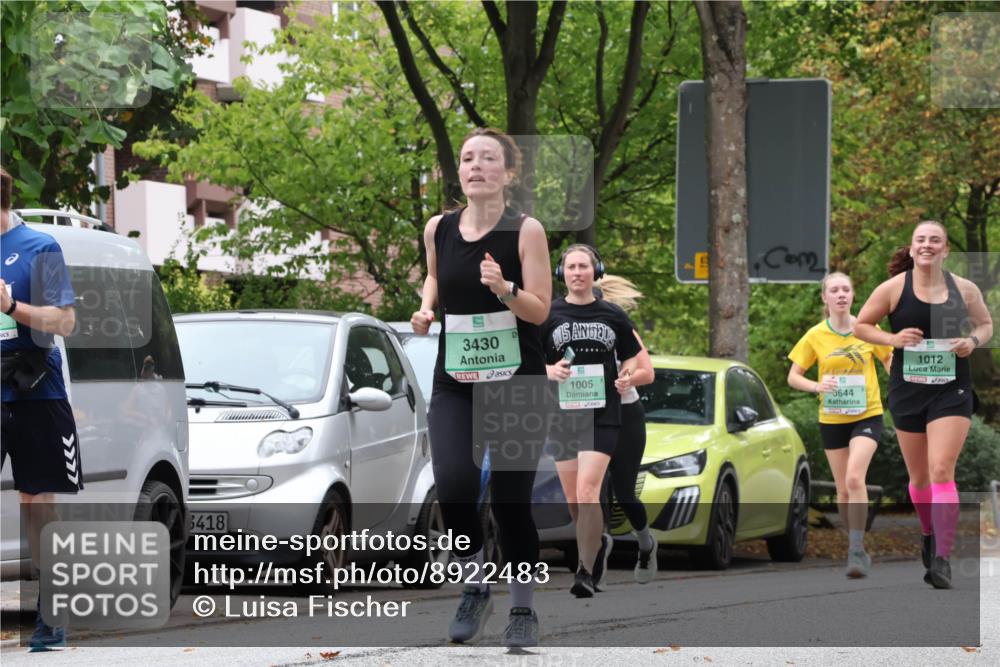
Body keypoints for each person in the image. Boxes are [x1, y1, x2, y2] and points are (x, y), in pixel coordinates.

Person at [409, 128, 551, 647]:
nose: (475, 166)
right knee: (454, 486)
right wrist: (427, 309)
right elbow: (434, 278)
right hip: (457, 381)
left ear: (507, 173)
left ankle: (522, 609)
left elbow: (540, 308)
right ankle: (475, 585)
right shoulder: (438, 228)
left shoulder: (526, 231)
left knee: (512, 502)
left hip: (517, 382)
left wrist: (505, 289)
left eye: (488, 158)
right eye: (468, 158)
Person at [854, 220, 993, 589]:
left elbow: (985, 325)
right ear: (912, 248)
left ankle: (943, 558)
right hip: (909, 389)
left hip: (952, 389)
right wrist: (893, 338)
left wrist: (972, 342)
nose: (927, 245)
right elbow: (861, 327)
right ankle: (929, 533)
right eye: (921, 240)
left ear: (946, 250)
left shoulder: (964, 289)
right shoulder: (894, 289)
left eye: (935, 240)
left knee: (942, 470)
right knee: (919, 479)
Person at [0, 166, 81, 650]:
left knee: (36, 502)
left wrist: (12, 307)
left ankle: (52, 612)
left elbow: (65, 321)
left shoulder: (41, 248)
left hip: (35, 388)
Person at [543, 245, 640, 598]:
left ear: (595, 270)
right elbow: (528, 361)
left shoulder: (612, 315)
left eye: (584, 266)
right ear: (562, 273)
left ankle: (583, 571)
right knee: (575, 500)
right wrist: (549, 370)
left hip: (602, 414)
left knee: (588, 491)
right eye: (571, 266)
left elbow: (631, 358)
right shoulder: (547, 314)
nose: (578, 272)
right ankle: (596, 541)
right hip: (563, 416)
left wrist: (627, 377)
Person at [787, 272, 892, 578]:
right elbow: (794, 376)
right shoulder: (815, 335)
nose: (841, 294)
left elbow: (888, 361)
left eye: (846, 289)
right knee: (843, 490)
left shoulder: (868, 330)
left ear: (853, 295)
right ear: (825, 298)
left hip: (867, 414)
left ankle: (856, 550)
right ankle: (855, 545)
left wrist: (899, 369)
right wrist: (817, 386)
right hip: (832, 418)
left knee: (856, 478)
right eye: (835, 290)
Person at [593, 275, 658, 584]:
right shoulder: (564, 326)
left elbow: (648, 372)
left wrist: (627, 378)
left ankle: (645, 543)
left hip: (625, 413)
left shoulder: (619, 327)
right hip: (585, 414)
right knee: (589, 488)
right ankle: (596, 546)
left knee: (623, 490)